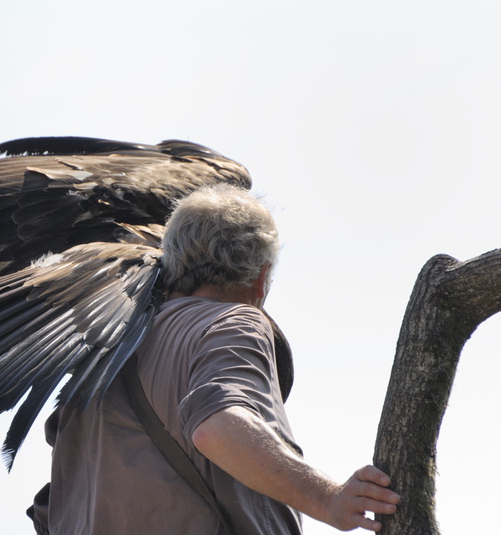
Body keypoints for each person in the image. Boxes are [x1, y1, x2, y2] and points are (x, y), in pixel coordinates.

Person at [34, 184, 400, 534]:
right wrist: (328, 499)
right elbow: (218, 427)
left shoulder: (101, 350)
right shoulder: (234, 321)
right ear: (261, 277)